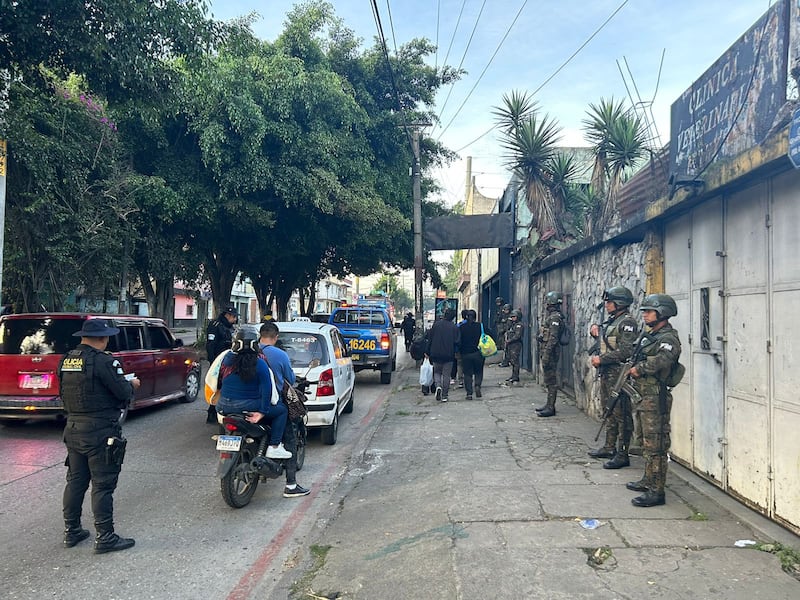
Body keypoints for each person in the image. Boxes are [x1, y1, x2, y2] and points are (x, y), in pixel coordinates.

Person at [59, 319, 141, 554]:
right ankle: (105, 536)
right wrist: (132, 383)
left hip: (73, 428)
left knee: (75, 481)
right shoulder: (105, 361)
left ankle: (71, 530)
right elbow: (123, 393)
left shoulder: (66, 360)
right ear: (102, 339)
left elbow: (63, 392)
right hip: (100, 431)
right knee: (103, 485)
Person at [626, 294, 682, 507]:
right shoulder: (650, 336)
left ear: (662, 313)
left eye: (649, 311)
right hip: (643, 396)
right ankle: (648, 479)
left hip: (655, 397)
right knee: (645, 442)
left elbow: (662, 360)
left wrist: (639, 369)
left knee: (656, 444)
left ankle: (657, 491)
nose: (645, 315)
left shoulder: (668, 339)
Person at [215, 328, 292, 460]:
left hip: (223, 406)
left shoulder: (227, 360)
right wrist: (262, 412)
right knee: (282, 411)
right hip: (247, 406)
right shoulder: (260, 363)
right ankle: (274, 446)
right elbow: (266, 390)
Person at [587, 286, 639, 469]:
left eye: (609, 302)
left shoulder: (627, 323)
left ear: (619, 304)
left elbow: (625, 352)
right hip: (607, 373)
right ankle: (609, 447)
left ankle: (623, 452)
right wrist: (595, 331)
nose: (607, 305)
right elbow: (606, 339)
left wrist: (601, 359)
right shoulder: (613, 321)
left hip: (618, 375)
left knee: (621, 414)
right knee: (609, 411)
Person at [258, 321, 310, 498]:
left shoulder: (248, 352)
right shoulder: (279, 355)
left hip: (245, 403)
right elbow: (290, 377)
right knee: (290, 439)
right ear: (276, 337)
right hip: (273, 403)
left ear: (260, 335)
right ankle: (291, 485)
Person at [205, 306, 238, 423]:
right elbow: (210, 345)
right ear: (227, 315)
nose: (234, 320)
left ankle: (221, 412)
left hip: (228, 362)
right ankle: (212, 413)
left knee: (225, 387)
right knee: (217, 387)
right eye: (233, 317)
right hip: (218, 362)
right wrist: (214, 363)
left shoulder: (229, 327)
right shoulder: (215, 326)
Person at [535, 291, 565, 418]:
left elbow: (553, 338)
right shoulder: (552, 316)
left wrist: (546, 354)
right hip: (547, 351)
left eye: (548, 302)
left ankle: (551, 407)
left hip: (550, 353)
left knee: (551, 380)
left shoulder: (554, 318)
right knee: (548, 380)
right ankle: (548, 404)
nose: (546, 304)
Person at [425, 308, 460, 402]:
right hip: (448, 354)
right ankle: (444, 395)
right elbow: (457, 341)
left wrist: (427, 351)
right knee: (446, 375)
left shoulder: (436, 325)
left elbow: (430, 339)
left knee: (436, 372)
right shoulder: (454, 327)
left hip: (435, 353)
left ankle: (438, 386)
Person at [458, 310, 484, 400]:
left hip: (465, 354)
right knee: (478, 371)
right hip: (478, 353)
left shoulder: (462, 327)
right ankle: (477, 386)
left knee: (467, 374)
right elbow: (490, 336)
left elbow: (458, 341)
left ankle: (469, 393)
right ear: (475, 317)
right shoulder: (480, 326)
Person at [503, 310, 524, 383]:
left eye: (514, 317)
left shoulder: (519, 325)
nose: (513, 318)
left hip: (516, 344)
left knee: (515, 361)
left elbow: (517, 336)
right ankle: (513, 376)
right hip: (511, 344)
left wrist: (510, 340)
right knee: (511, 360)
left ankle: (515, 377)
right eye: (512, 317)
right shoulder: (513, 324)